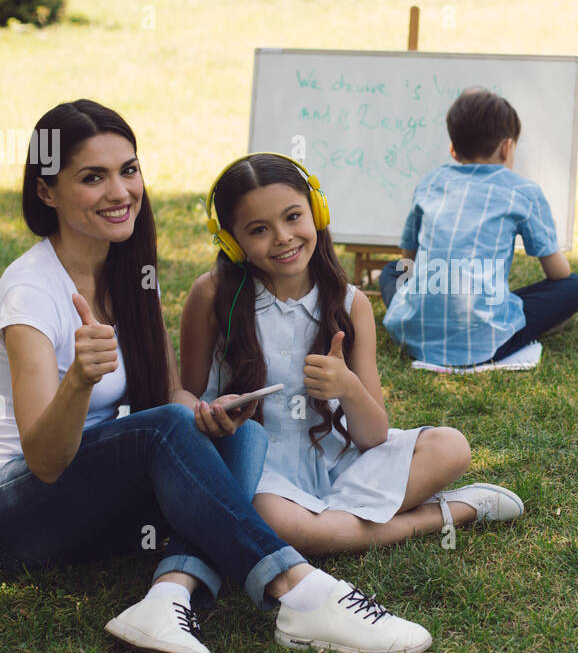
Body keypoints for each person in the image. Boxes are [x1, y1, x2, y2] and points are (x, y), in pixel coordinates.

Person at [0, 100, 433, 653]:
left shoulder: (132, 274)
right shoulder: (31, 292)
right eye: (92, 177)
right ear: (47, 192)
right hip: (4, 515)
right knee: (168, 430)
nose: (119, 191)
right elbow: (45, 460)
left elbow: (167, 396)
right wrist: (79, 380)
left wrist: (207, 412)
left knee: (242, 440)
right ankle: (303, 594)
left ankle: (168, 600)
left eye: (128, 170)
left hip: (93, 502)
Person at [181, 153, 524, 558]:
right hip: (260, 475)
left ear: (317, 212)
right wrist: (203, 413)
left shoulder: (351, 303)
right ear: (231, 242)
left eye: (293, 217)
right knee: (276, 524)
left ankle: (331, 524)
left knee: (451, 447)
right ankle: (437, 515)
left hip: (342, 463)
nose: (283, 237)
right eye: (259, 229)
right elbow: (184, 394)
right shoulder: (211, 294)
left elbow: (374, 434)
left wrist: (347, 386)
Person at [380, 88, 578, 368]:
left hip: (413, 334)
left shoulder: (430, 183)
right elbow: (558, 273)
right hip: (486, 341)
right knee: (574, 287)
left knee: (390, 271)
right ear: (506, 147)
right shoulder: (523, 192)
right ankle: (497, 330)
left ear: (453, 149)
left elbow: (408, 260)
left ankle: (427, 318)